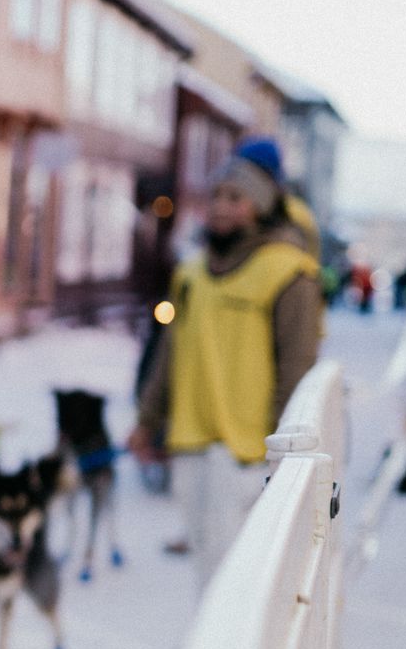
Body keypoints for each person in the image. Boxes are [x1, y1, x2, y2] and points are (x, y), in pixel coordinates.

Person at [129, 143, 322, 591]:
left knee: (232, 579)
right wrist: (147, 420)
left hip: (246, 454)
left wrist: (284, 451)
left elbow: (296, 370)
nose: (220, 207)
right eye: (215, 196)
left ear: (261, 206)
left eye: (236, 198)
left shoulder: (289, 272)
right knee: (207, 568)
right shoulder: (192, 273)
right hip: (191, 443)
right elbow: (171, 354)